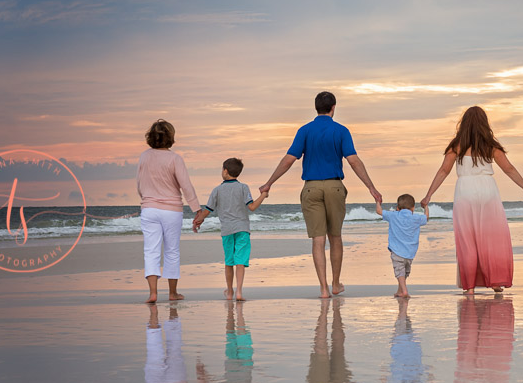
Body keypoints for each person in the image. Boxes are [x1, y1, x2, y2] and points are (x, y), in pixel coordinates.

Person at [260, 91, 382, 299]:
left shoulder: (305, 130)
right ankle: (335, 284)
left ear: (315, 107)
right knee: (335, 237)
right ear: (334, 107)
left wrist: (269, 183)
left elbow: (289, 159)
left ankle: (323, 288)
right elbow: (354, 161)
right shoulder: (341, 131)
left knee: (318, 239)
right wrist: (371, 187)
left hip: (311, 187)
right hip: (335, 186)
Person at [420, 106, 523, 294]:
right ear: (484, 123)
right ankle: (496, 282)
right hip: (488, 190)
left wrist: (429, 194)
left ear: (463, 124)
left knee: (467, 241)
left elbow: (444, 171)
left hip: (465, 190)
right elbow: (509, 169)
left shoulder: (456, 146)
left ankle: (470, 287)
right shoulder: (491, 146)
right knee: (492, 238)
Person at [137, 119, 201, 304]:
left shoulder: (144, 156)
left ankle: (153, 293)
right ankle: (173, 293)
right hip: (172, 210)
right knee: (172, 251)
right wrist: (196, 209)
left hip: (149, 208)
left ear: (151, 137)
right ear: (171, 137)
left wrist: (146, 199)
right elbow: (186, 186)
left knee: (151, 251)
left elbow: (139, 183)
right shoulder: (175, 159)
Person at [192, 157, 269, 301]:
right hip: (242, 229)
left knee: (229, 261)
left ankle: (229, 292)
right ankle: (239, 291)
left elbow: (207, 210)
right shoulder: (243, 187)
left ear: (225, 171)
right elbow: (252, 207)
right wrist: (263, 195)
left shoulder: (217, 190)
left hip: (227, 230)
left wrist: (198, 220)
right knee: (240, 261)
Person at [375, 193, 429, 298]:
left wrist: (378, 202)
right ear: (413, 208)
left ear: (397, 208)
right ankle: (400, 290)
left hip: (397, 250)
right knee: (405, 272)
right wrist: (426, 206)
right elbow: (426, 217)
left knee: (399, 271)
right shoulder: (416, 218)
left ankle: (404, 291)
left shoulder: (393, 215)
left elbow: (379, 211)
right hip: (410, 252)